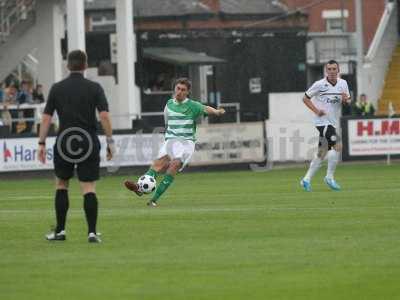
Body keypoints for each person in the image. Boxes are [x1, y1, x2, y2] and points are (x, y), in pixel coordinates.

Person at [38, 50, 115, 243]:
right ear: (85, 65)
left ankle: (61, 231)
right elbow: (104, 116)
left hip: (65, 141)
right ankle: (91, 233)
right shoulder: (94, 87)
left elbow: (46, 118)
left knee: (62, 184)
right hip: (87, 141)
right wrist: (110, 141)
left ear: (67, 65)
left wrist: (41, 143)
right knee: (88, 187)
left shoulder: (57, 88)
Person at [124, 77, 225, 207]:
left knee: (174, 165)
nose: (179, 91)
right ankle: (139, 188)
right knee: (158, 164)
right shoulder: (169, 105)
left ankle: (153, 200)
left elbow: (205, 108)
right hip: (171, 141)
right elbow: (167, 124)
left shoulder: (193, 106)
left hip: (186, 143)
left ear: (187, 92)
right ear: (174, 89)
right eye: (178, 88)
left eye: (183, 90)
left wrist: (216, 111)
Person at [300, 60, 350, 192]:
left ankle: (306, 179)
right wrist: (317, 111)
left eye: (334, 69)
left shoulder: (343, 83)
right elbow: (305, 98)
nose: (332, 71)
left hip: (332, 121)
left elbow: (347, 101)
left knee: (321, 153)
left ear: (338, 70)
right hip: (322, 122)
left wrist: (346, 100)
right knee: (338, 145)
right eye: (330, 69)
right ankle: (329, 177)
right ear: (326, 71)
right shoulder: (319, 84)